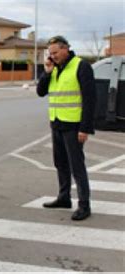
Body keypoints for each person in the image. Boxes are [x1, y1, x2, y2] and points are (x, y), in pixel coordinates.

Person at [37, 35, 96, 221]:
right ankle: (64, 197)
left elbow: (90, 99)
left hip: (74, 126)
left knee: (76, 166)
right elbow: (41, 92)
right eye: (50, 54)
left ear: (66, 49)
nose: (52, 56)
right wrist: (46, 72)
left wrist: (85, 128)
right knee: (60, 163)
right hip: (56, 123)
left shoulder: (81, 66)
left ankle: (84, 205)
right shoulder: (53, 68)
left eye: (55, 53)